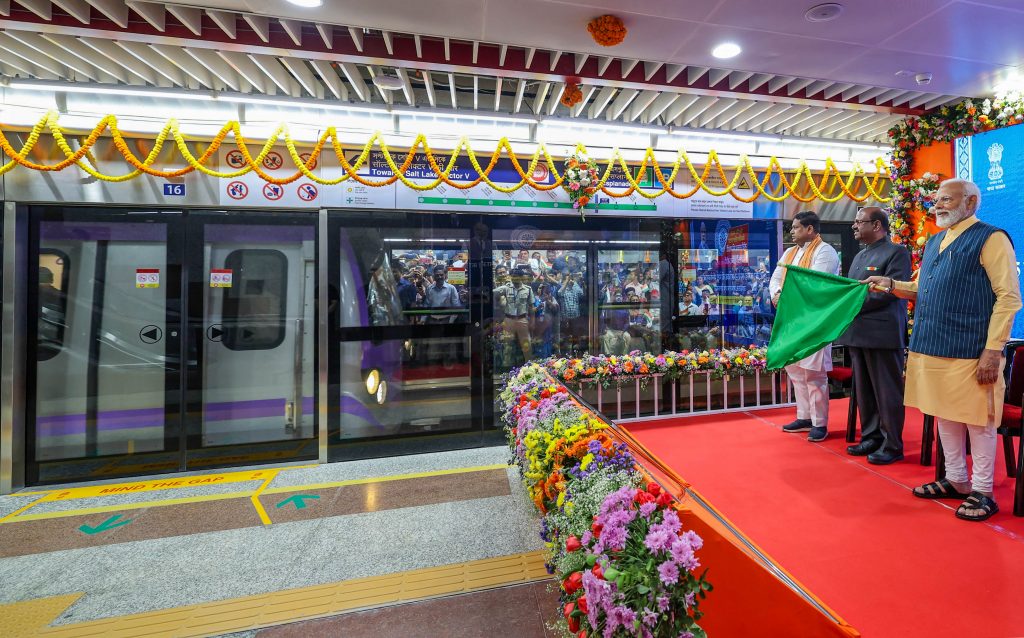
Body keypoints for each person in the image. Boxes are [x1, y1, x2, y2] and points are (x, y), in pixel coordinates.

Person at [865, 179, 1022, 521]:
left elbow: (1009, 298)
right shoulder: (936, 240)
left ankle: (983, 491)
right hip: (931, 345)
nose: (939, 206)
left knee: (978, 421)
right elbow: (920, 288)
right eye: (937, 200)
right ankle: (956, 480)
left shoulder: (991, 237)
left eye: (947, 199)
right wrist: (891, 284)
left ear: (971, 202)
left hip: (971, 348)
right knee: (944, 414)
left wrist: (993, 350)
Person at [836, 207, 912, 464]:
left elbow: (889, 291)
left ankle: (892, 444)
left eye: (860, 222)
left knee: (887, 391)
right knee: (864, 390)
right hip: (858, 332)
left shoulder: (897, 252)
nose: (854, 226)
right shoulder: (860, 256)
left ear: (877, 225)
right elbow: (852, 290)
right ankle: (871, 436)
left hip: (882, 332)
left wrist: (851, 303)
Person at [769, 211, 841, 442]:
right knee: (796, 370)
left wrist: (786, 295)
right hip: (792, 320)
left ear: (810, 229)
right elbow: (776, 278)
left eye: (796, 227)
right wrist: (777, 294)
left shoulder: (825, 252)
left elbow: (813, 284)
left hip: (814, 322)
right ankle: (804, 417)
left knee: (814, 373)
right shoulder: (790, 252)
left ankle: (820, 423)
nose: (791, 231)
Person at [495, 266, 535, 365]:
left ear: (521, 277)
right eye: (513, 276)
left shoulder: (528, 289)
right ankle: (507, 368)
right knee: (508, 345)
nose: (514, 279)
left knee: (527, 345)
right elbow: (492, 293)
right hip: (509, 320)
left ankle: (529, 367)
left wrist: (533, 321)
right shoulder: (506, 288)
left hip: (522, 319)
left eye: (516, 277)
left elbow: (531, 307)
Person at [558, 271, 586, 353]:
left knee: (576, 336)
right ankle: (565, 354)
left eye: (571, 278)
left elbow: (583, 293)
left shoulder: (576, 286)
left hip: (576, 317)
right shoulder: (563, 287)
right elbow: (559, 293)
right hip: (565, 318)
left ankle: (575, 354)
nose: (571, 280)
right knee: (566, 337)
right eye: (568, 278)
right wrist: (567, 281)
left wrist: (582, 282)